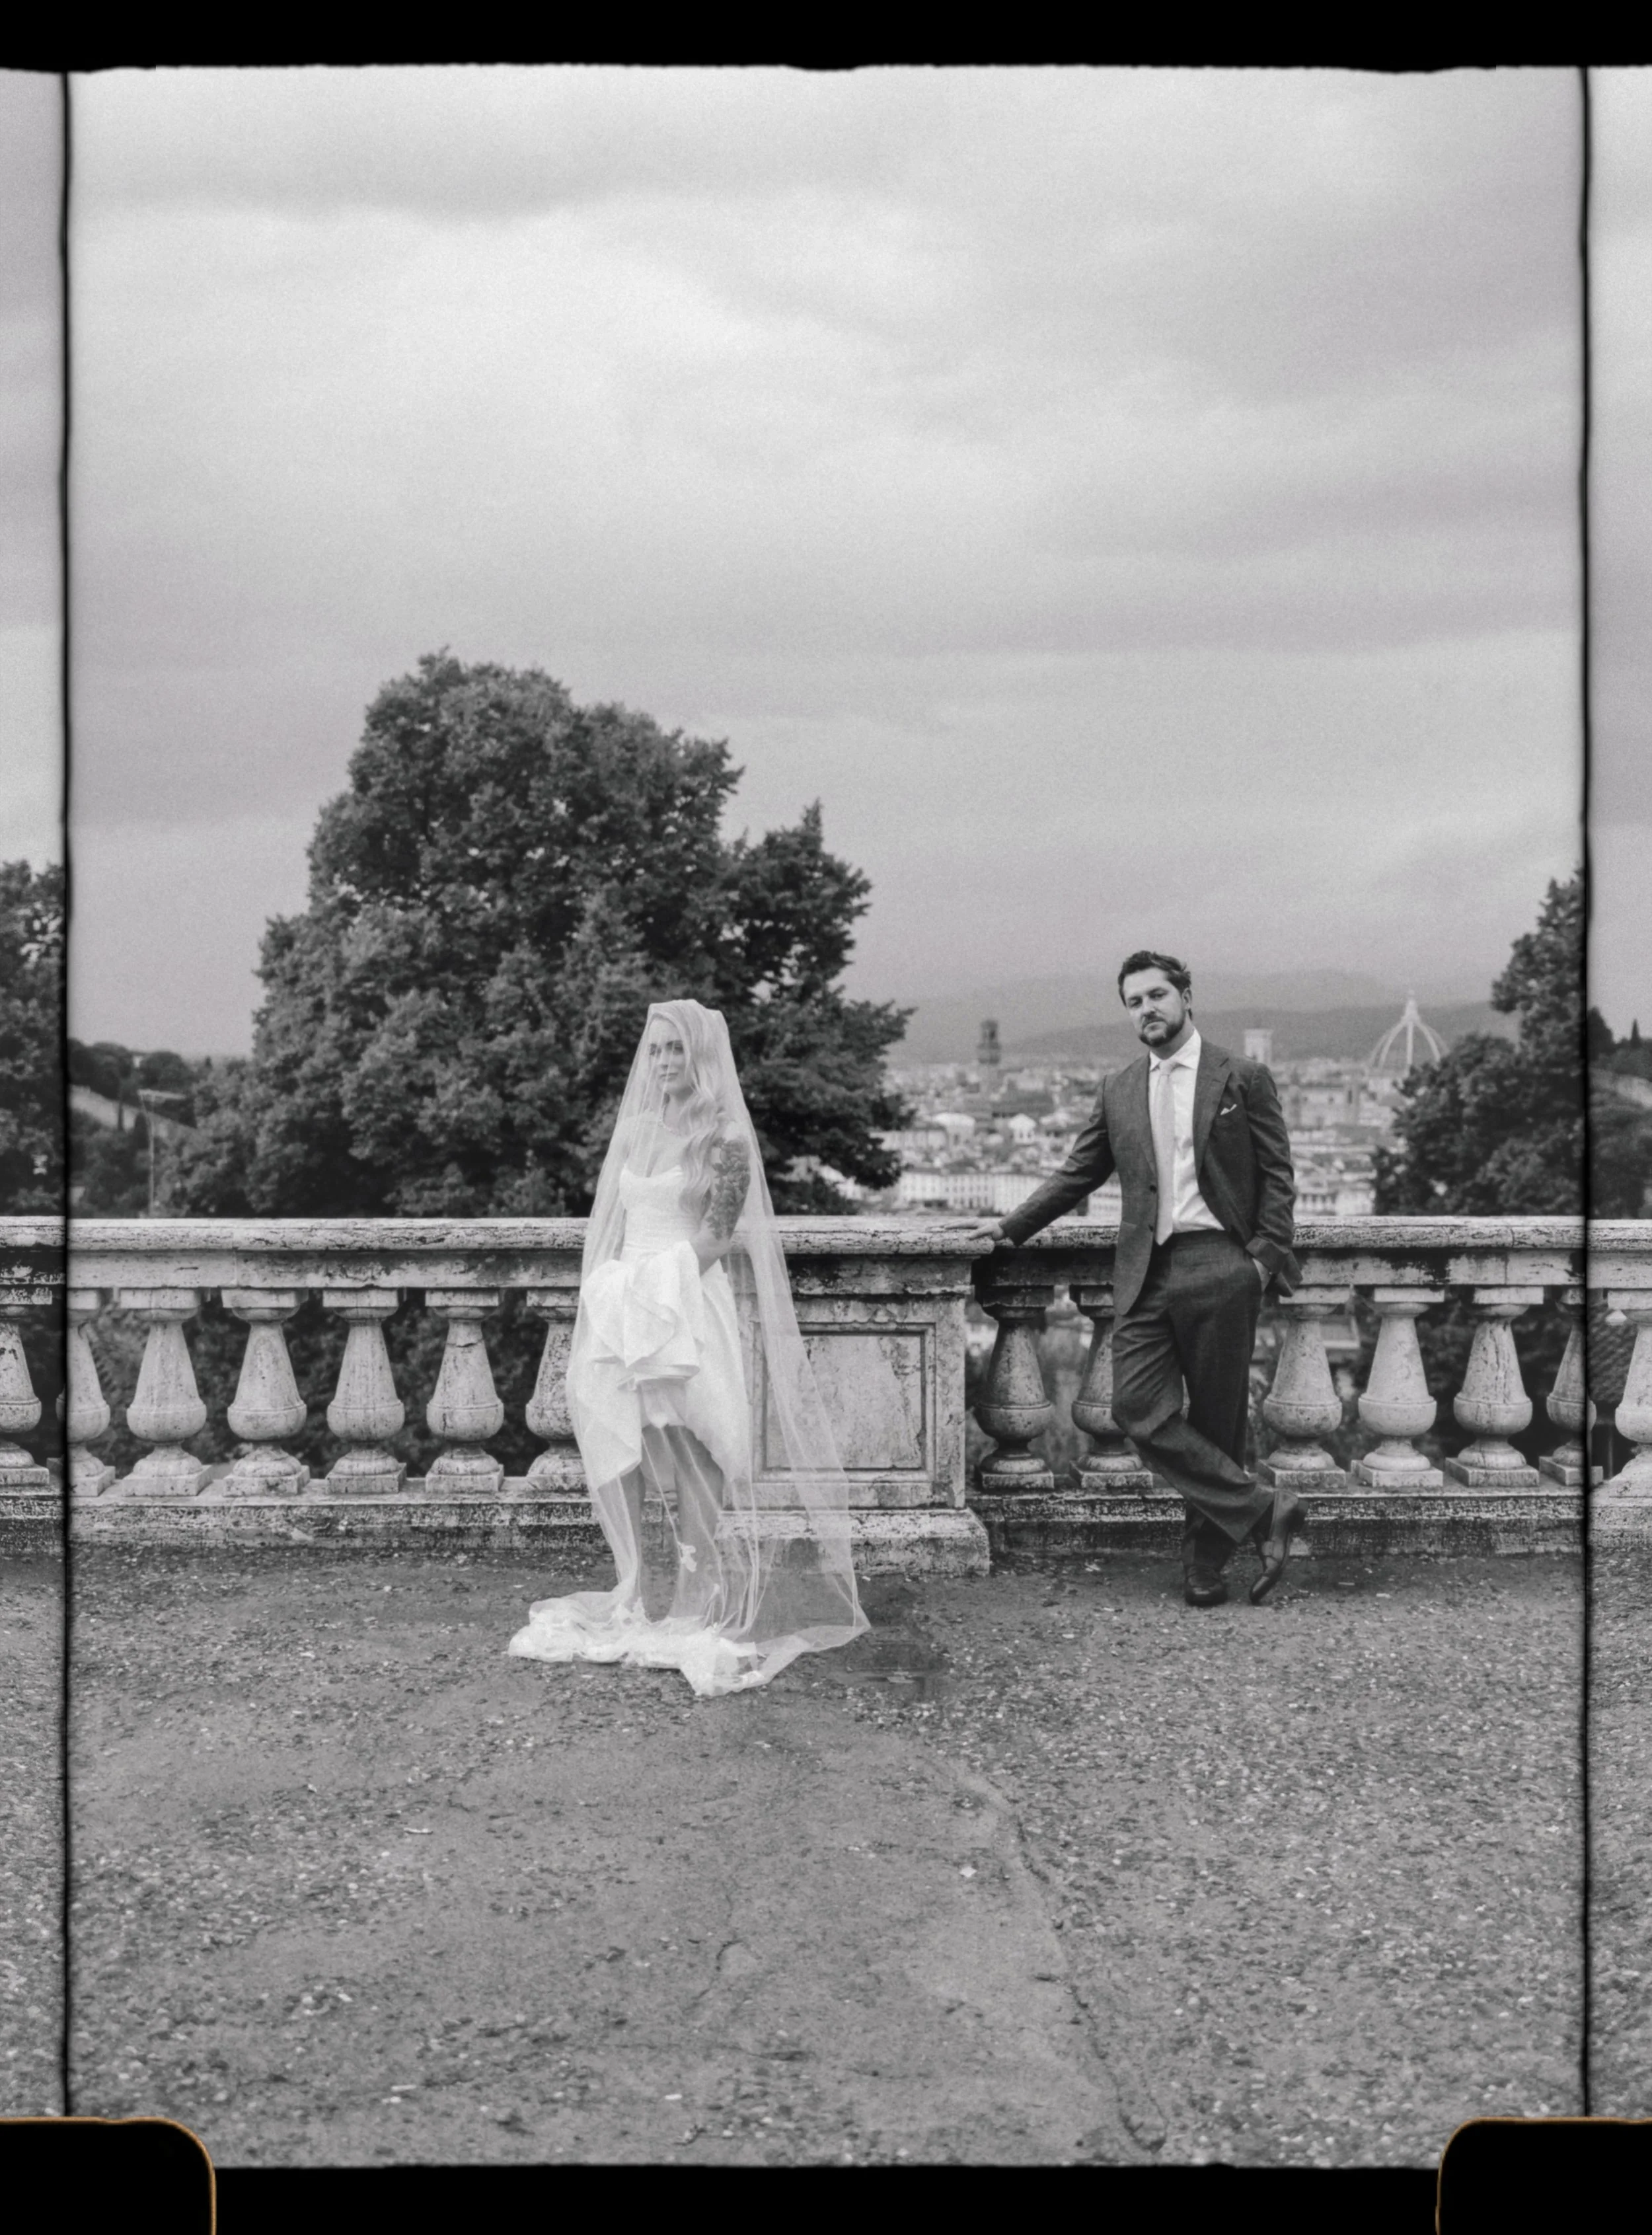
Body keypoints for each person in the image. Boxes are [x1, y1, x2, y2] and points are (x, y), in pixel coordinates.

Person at [508, 999, 867, 1695]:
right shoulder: (636, 1132)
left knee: (694, 1448)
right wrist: (612, 1290)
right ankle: (634, 1588)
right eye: (657, 1050)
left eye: (677, 1050)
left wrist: (659, 1286)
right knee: (624, 1443)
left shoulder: (723, 1136)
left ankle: (694, 1596)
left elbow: (719, 1232)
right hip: (625, 1299)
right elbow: (612, 1220)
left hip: (683, 1295)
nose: (665, 1062)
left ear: (702, 1057)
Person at [967, 952, 1306, 1608]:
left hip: (1221, 1264)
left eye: (1156, 995)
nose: (1146, 1009)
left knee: (1216, 1423)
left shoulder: (1243, 1076)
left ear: (1185, 996)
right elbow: (1077, 1173)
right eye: (1133, 1001)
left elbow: (1278, 1175)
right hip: (1145, 1269)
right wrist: (1010, 1229)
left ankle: (1204, 1562)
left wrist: (1260, 1260)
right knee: (1133, 1410)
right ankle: (1267, 1509)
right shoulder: (1119, 1087)